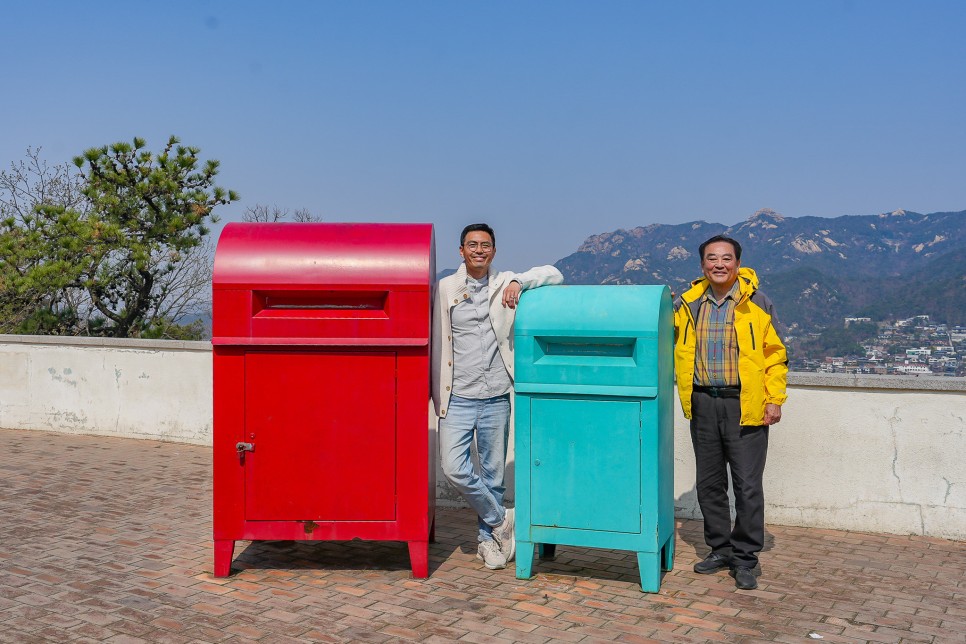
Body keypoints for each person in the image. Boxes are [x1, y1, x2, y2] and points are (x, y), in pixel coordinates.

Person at [432, 223, 563, 570]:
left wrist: (520, 282)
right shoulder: (444, 289)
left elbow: (554, 274)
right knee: (454, 469)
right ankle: (501, 520)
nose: (479, 250)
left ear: (494, 250)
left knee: (493, 478)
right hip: (456, 396)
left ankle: (488, 542)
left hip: (495, 397)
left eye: (485, 245)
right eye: (472, 245)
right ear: (460, 251)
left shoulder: (505, 283)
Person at [672, 235, 788, 590]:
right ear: (702, 264)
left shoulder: (758, 303)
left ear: (737, 263)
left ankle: (745, 559)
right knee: (709, 484)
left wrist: (775, 398)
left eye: (726, 258)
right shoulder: (687, 303)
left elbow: (775, 355)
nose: (718, 264)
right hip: (704, 401)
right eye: (711, 258)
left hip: (745, 403)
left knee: (748, 485)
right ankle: (720, 549)